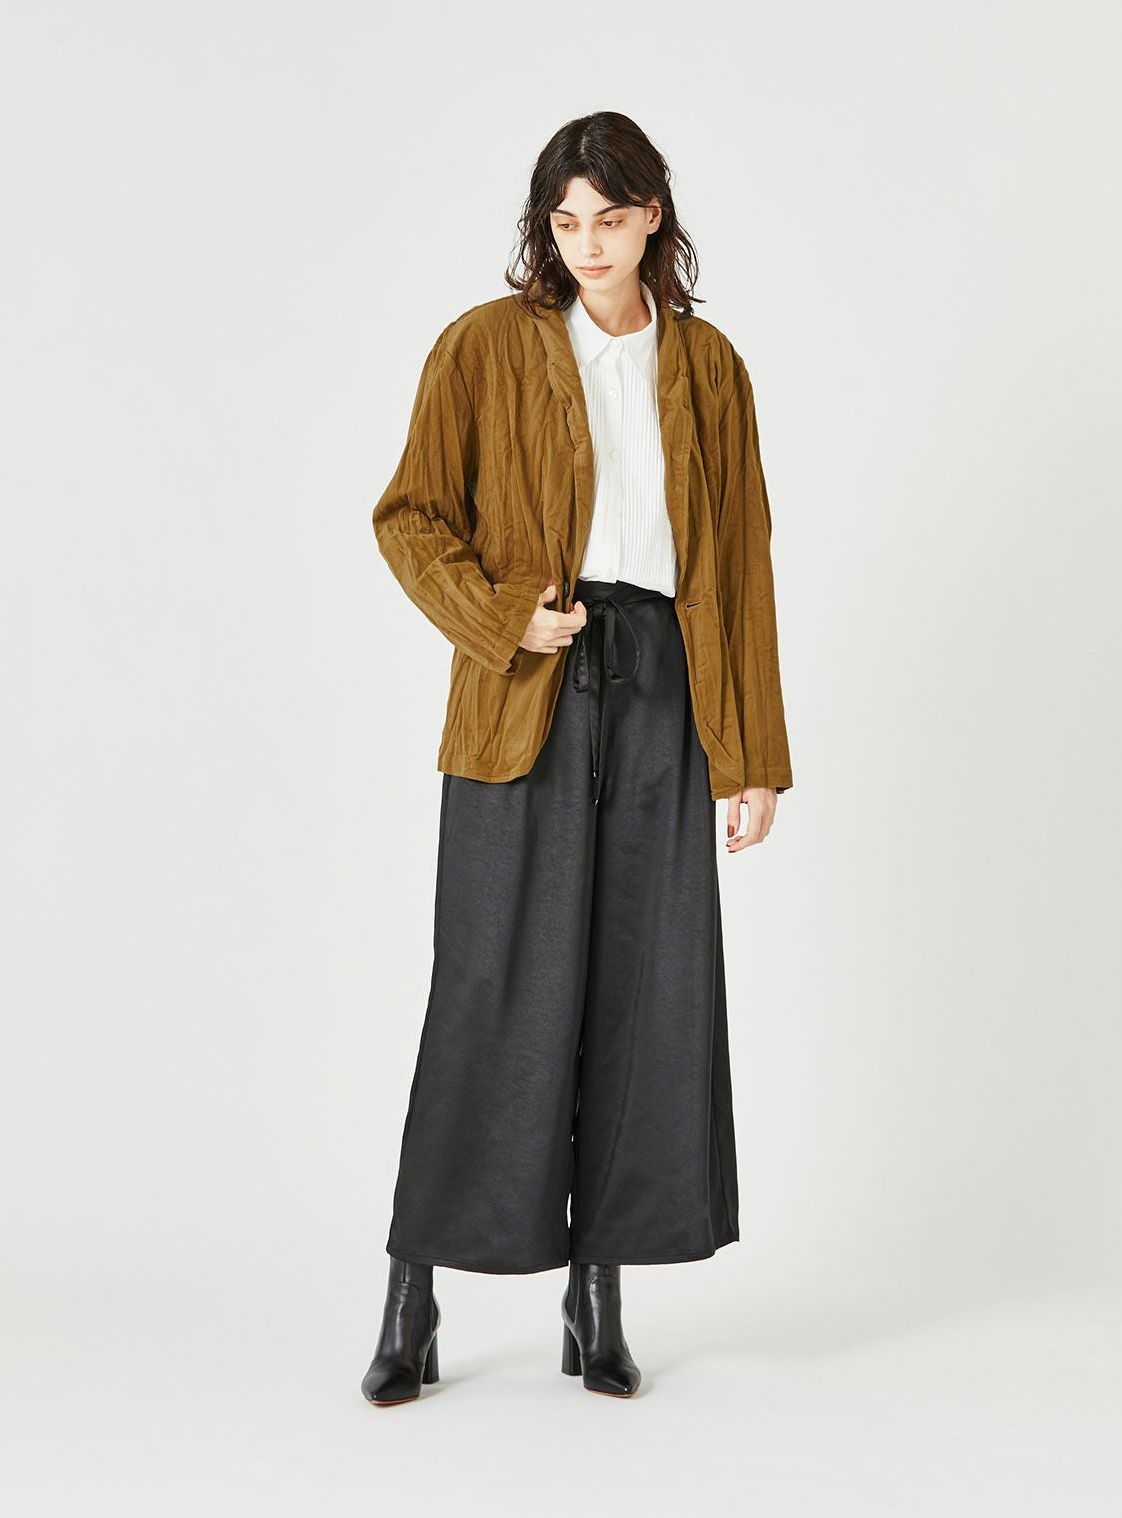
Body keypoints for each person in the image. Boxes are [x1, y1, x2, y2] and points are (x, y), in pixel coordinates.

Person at [361, 111, 793, 1405]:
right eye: (565, 221)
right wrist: (505, 617)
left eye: (610, 218)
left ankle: (595, 1298)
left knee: (640, 993)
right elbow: (410, 517)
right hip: (524, 694)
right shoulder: (485, 345)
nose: (588, 243)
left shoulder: (708, 365)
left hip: (663, 689)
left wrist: (751, 757)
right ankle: (411, 1297)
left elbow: (741, 566)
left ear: (653, 216)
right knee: (489, 988)